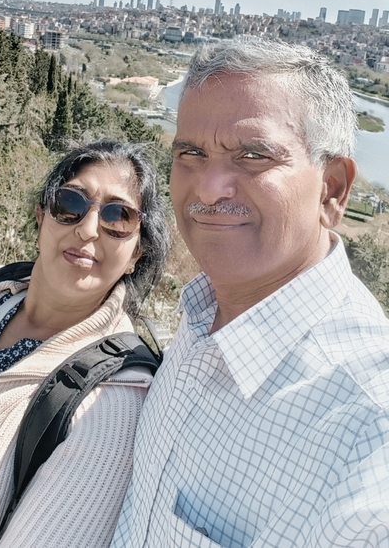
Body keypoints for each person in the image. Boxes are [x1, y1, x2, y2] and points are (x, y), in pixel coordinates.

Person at [111, 39, 389, 548]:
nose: (209, 187)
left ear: (331, 189)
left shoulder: (368, 434)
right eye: (191, 153)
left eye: (254, 156)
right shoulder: (204, 314)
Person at [0, 140, 169, 548]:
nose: (87, 230)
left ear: (137, 252)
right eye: (71, 203)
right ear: (41, 215)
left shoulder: (113, 397)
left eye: (118, 217)